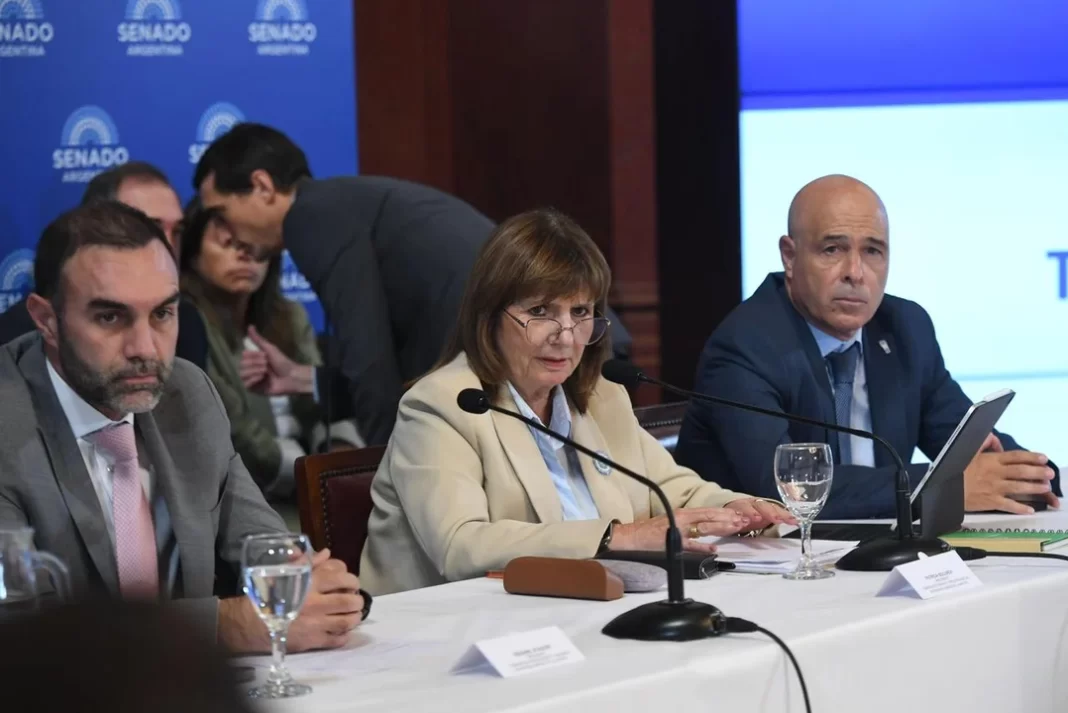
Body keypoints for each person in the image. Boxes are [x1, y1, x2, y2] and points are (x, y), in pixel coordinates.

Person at [358, 208, 794, 595]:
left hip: (582, 606)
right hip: (452, 630)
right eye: (541, 311)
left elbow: (671, 490)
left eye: (581, 312)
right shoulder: (444, 405)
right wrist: (615, 537)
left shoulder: (601, 398)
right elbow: (460, 545)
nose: (565, 336)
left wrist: (734, 509)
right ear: (489, 316)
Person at [0, 201, 369, 652]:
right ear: (46, 320)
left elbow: (263, 543)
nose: (144, 349)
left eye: (162, 314)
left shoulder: (186, 393)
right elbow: (21, 632)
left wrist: (308, 583)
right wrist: (229, 625)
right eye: (110, 317)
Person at [193, 123, 633, 445]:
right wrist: (307, 379)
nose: (225, 230)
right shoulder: (343, 202)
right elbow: (391, 361)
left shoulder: (310, 216)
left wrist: (384, 471)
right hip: (571, 348)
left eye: (220, 212)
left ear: (262, 186)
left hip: (533, 361)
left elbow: (369, 357)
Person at [674, 174, 1060, 519]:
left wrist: (1032, 475)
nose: (855, 273)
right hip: (756, 559)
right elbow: (786, 487)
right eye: (833, 249)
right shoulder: (744, 347)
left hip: (876, 546)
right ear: (790, 256)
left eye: (872, 251)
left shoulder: (905, 329)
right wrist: (939, 485)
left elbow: (973, 449)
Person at [179, 198, 362, 496]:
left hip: (315, 484)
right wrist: (311, 476)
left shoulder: (291, 315)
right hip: (251, 492)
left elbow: (319, 407)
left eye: (256, 245)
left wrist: (341, 457)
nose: (246, 255)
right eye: (229, 243)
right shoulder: (185, 324)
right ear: (192, 252)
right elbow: (234, 431)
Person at [0, 162, 208, 369]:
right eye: (145, 230)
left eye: (177, 232)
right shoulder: (14, 339)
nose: (167, 247)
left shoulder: (188, 322)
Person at [0, 599, 257, 713]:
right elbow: (22, 614)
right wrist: (220, 619)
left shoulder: (208, 493)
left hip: (197, 687)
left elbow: (268, 550)